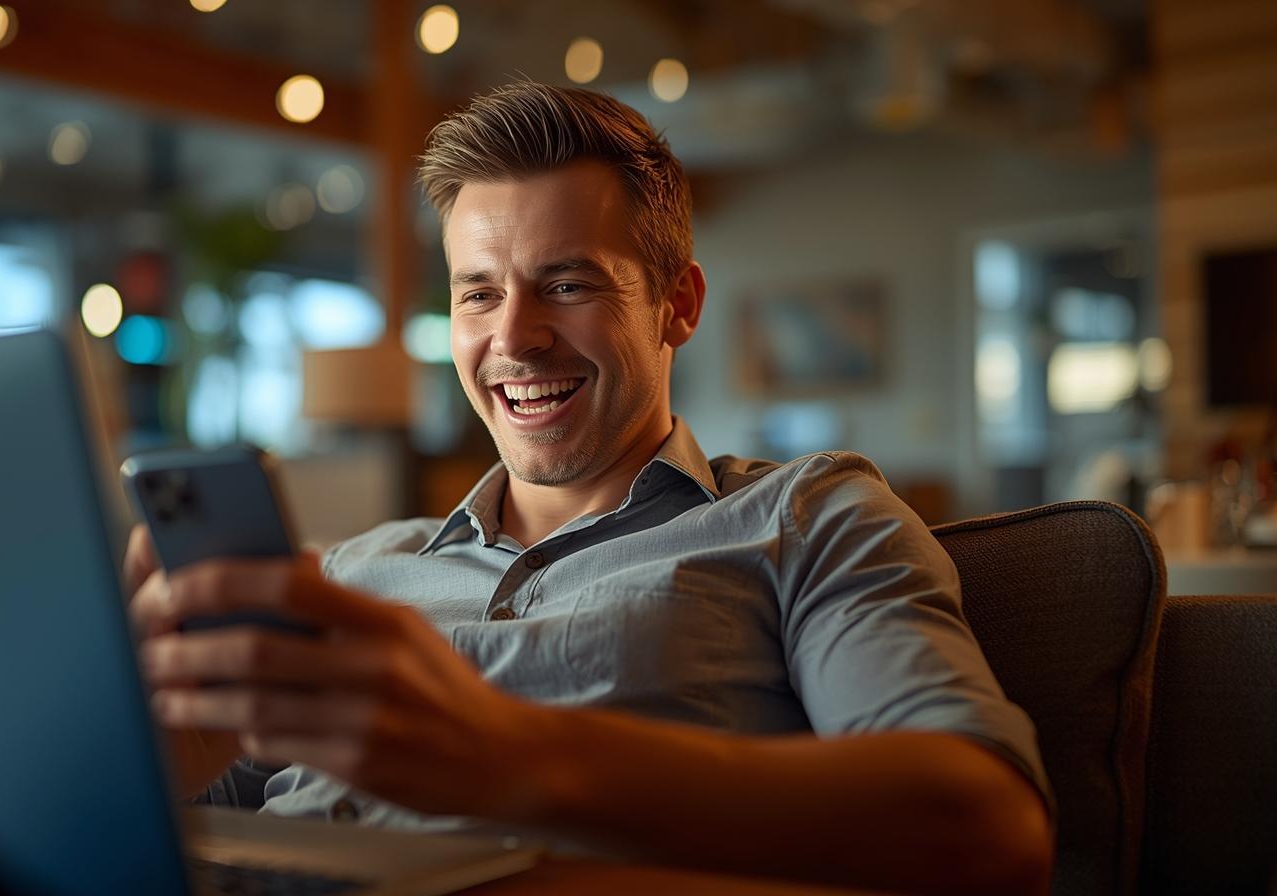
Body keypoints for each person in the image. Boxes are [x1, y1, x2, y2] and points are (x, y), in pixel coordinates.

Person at [128, 82, 1053, 894]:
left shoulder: (806, 516)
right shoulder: (355, 570)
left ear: (677, 305)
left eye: (567, 284)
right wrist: (143, 754)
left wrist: (503, 757)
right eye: (477, 293)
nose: (515, 338)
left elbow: (986, 829)